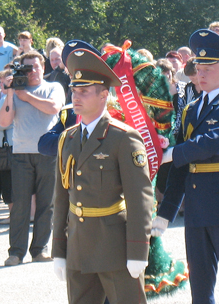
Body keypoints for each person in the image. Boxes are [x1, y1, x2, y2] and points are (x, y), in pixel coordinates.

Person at [152, 29, 219, 304]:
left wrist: (171, 152)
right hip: (196, 209)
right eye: (199, 67)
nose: (202, 73)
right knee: (200, 293)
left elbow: (211, 143)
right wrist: (166, 212)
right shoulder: (190, 109)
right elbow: (182, 167)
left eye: (209, 67)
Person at [51, 45, 154, 304]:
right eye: (74, 91)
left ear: (103, 95)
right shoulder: (68, 138)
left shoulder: (123, 138)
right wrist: (59, 250)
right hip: (78, 246)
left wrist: (138, 251)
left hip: (115, 248)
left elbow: (139, 198)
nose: (76, 97)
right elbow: (62, 198)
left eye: (84, 92)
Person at [0, 50, 65, 266]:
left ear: (43, 67)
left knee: (47, 203)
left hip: (48, 153)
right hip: (20, 154)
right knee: (20, 205)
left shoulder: (52, 87)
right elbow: (4, 121)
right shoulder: (17, 92)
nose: (32, 71)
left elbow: (53, 108)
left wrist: (26, 96)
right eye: (27, 68)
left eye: (36, 66)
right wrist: (10, 93)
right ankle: (16, 252)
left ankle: (40, 249)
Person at [0, 69, 14, 221]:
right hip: (1, 147)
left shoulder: (8, 99)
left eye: (5, 82)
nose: (2, 85)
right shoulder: (0, 99)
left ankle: (12, 214)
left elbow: (4, 123)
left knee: (8, 183)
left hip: (7, 146)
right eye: (1, 82)